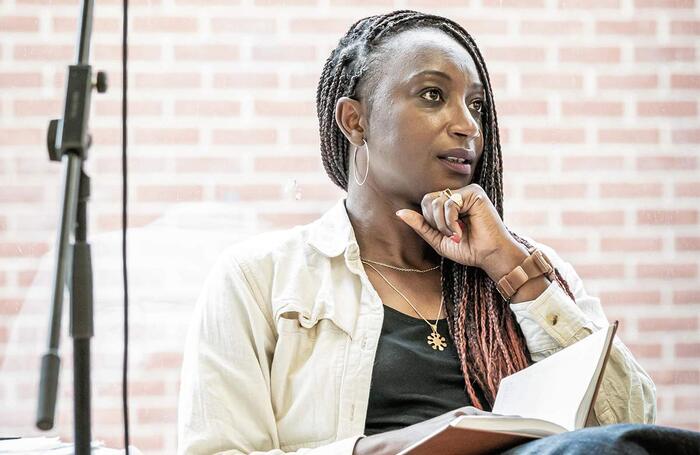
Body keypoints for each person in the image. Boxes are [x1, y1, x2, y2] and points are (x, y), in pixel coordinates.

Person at [176, 10, 680, 455]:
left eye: (477, 105)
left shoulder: (526, 268)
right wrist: (398, 446)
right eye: (433, 95)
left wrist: (511, 269)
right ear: (355, 120)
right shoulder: (261, 278)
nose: (468, 126)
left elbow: (628, 423)